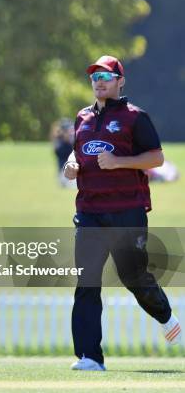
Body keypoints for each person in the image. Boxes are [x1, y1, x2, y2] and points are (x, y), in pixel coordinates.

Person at [64, 55, 181, 371]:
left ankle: (166, 316)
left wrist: (119, 162)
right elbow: (78, 154)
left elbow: (156, 158)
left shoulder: (135, 118)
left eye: (106, 75)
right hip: (89, 211)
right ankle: (89, 357)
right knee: (87, 281)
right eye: (94, 76)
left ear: (120, 81)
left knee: (133, 276)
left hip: (127, 211)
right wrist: (71, 166)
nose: (99, 81)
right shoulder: (82, 118)